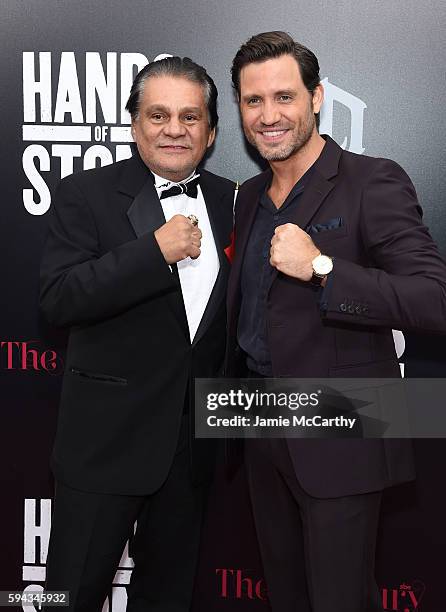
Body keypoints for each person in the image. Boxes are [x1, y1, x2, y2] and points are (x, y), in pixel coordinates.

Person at [226, 31, 446, 612]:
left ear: (317, 97)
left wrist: (322, 267)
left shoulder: (372, 180)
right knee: (287, 596)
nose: (269, 116)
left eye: (284, 97)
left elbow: (433, 299)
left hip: (346, 421)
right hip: (259, 422)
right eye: (253, 101)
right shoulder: (248, 196)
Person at [40, 56, 235, 611]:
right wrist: (154, 251)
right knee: (67, 597)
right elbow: (60, 298)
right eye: (159, 115)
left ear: (212, 131)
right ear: (134, 125)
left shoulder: (235, 201)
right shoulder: (86, 194)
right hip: (105, 446)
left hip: (192, 452)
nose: (175, 129)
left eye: (190, 117)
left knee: (169, 599)